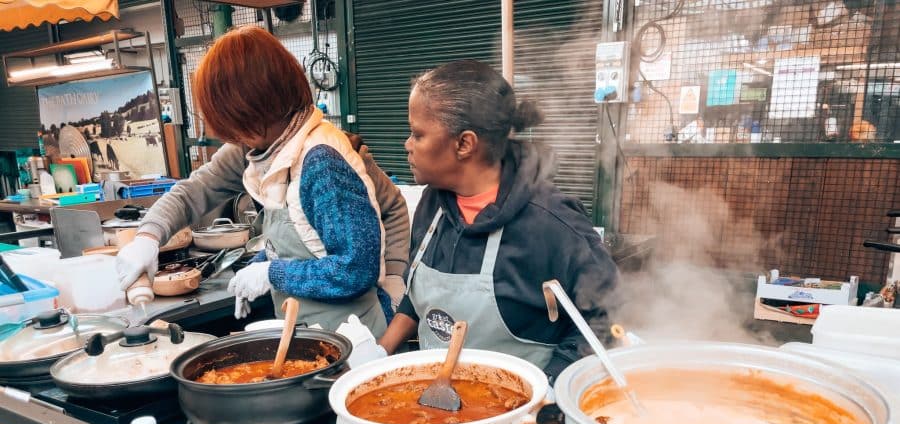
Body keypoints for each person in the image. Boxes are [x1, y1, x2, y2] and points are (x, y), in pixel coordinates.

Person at [115, 27, 409, 334]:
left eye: (233, 123)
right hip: (313, 328)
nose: (235, 139)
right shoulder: (263, 145)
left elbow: (355, 269)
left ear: (255, 107)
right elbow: (196, 190)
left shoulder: (323, 161)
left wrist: (274, 273)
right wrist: (147, 238)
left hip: (353, 335)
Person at [378, 60, 619, 381]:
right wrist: (379, 353)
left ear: (464, 144)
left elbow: (604, 321)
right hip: (431, 403)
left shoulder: (551, 223)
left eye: (417, 134)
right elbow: (418, 295)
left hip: (522, 416)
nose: (407, 145)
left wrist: (545, 390)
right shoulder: (431, 204)